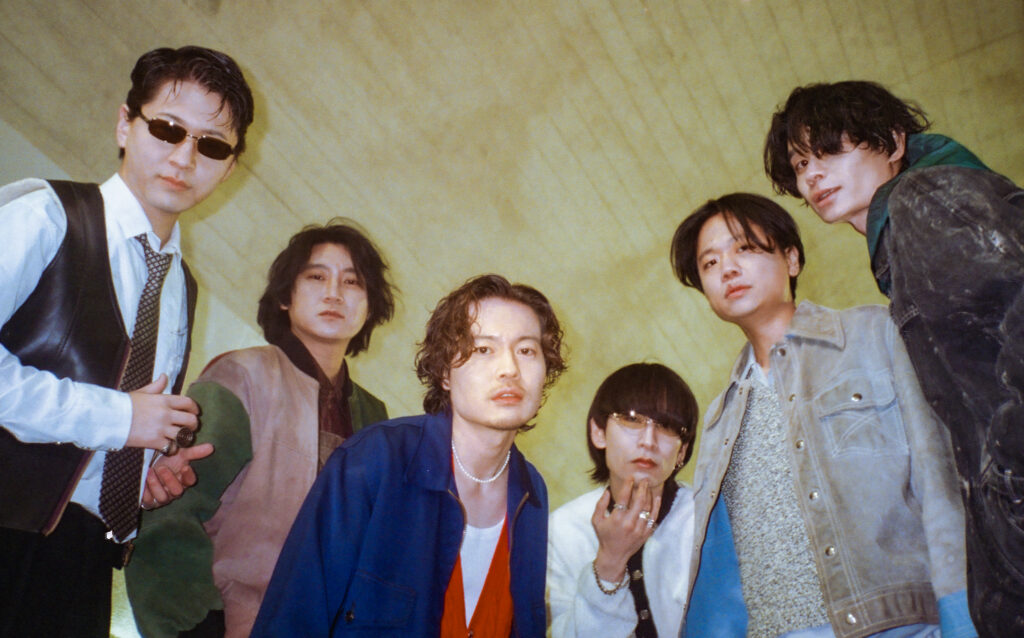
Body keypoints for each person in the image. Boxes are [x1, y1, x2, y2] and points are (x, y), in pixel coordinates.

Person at [0, 45, 253, 637]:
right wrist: (120, 419)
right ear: (124, 124)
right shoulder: (46, 215)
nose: (184, 156)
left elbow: (121, 431)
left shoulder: (182, 288)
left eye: (211, 145)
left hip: (86, 559)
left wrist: (145, 474)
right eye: (167, 129)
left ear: (229, 167)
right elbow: (119, 415)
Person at [763, 80, 1024, 634]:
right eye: (802, 163)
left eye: (830, 150)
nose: (812, 175)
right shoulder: (909, 226)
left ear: (894, 142)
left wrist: (1011, 487)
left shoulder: (925, 200)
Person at [670, 193, 973, 638]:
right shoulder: (721, 417)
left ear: (791, 259)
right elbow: (721, 573)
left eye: (744, 248)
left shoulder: (876, 334)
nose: (727, 269)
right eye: (710, 263)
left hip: (898, 626)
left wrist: (962, 619)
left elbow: (941, 482)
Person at [251, 273, 567, 637]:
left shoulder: (531, 491)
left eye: (527, 350)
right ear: (445, 372)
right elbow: (293, 617)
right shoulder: (375, 460)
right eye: (483, 349)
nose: (510, 369)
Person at [124, 220, 396, 637]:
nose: (334, 293)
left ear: (371, 305)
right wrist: (196, 628)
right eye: (316, 277)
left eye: (352, 282)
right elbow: (171, 515)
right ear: (286, 296)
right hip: (236, 622)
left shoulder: (374, 418)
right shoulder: (242, 376)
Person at [547, 363, 697, 638]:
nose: (648, 441)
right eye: (632, 420)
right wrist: (610, 562)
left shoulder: (705, 523)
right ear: (599, 432)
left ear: (682, 451)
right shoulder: (563, 529)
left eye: (667, 426)